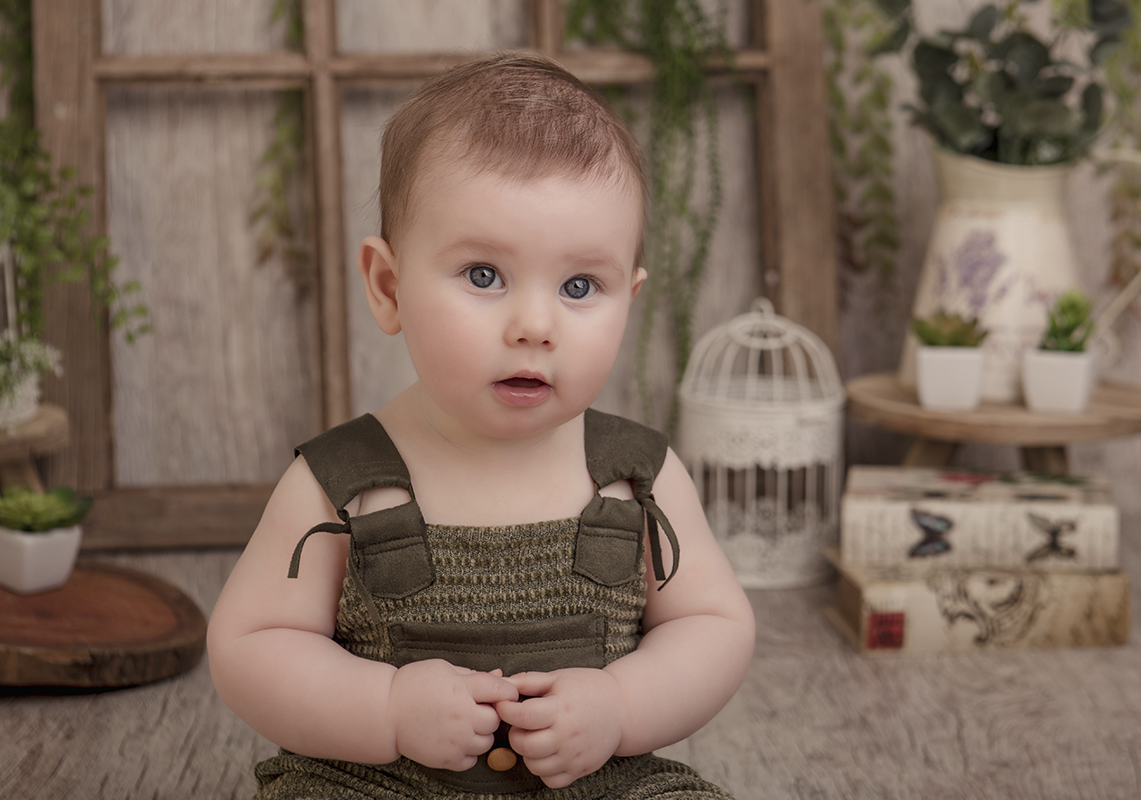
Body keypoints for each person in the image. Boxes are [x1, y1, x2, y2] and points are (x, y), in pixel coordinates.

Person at [207, 51, 756, 800]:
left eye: (579, 286)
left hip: (596, 779)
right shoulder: (340, 479)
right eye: (484, 275)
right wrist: (386, 708)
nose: (534, 324)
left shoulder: (637, 476)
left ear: (628, 301)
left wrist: (622, 705)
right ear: (388, 287)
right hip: (377, 781)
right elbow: (251, 645)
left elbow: (714, 626)